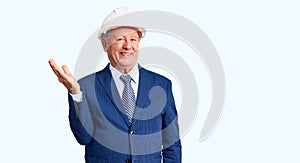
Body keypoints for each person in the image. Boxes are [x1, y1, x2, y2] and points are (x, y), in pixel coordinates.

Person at [49, 7, 181, 163]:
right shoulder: (86, 86)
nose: (128, 46)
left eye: (133, 39)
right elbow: (83, 137)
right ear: (105, 44)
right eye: (120, 39)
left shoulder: (161, 85)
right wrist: (75, 93)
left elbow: (172, 143)